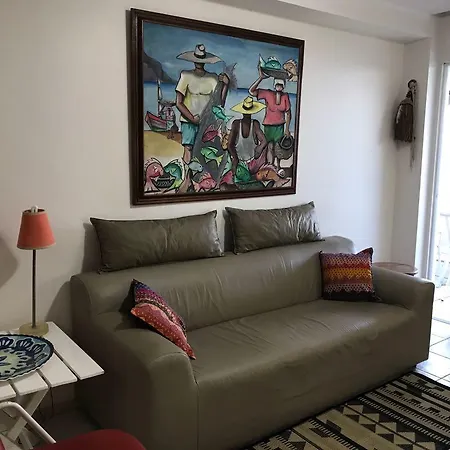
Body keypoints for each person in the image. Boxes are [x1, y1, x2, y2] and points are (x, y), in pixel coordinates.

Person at [175, 44, 229, 164]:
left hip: (207, 121)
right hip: (188, 121)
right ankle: (187, 174)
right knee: (188, 148)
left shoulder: (213, 78)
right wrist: (192, 118)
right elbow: (179, 103)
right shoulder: (186, 75)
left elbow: (219, 104)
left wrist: (226, 85)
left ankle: (201, 175)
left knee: (205, 150)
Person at [248, 62, 291, 168]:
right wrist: (260, 78)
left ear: (284, 86)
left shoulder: (285, 96)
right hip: (268, 125)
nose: (279, 87)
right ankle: (269, 166)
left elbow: (288, 113)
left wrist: (287, 129)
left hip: (280, 126)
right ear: (274, 85)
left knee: (279, 148)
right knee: (269, 146)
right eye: (277, 85)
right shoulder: (268, 93)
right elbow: (251, 91)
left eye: (281, 85)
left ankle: (278, 167)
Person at [228, 96, 267, 180]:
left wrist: (259, 148)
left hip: (253, 162)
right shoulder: (236, 124)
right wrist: (235, 159)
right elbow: (229, 145)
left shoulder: (255, 124)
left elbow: (264, 141)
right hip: (240, 163)